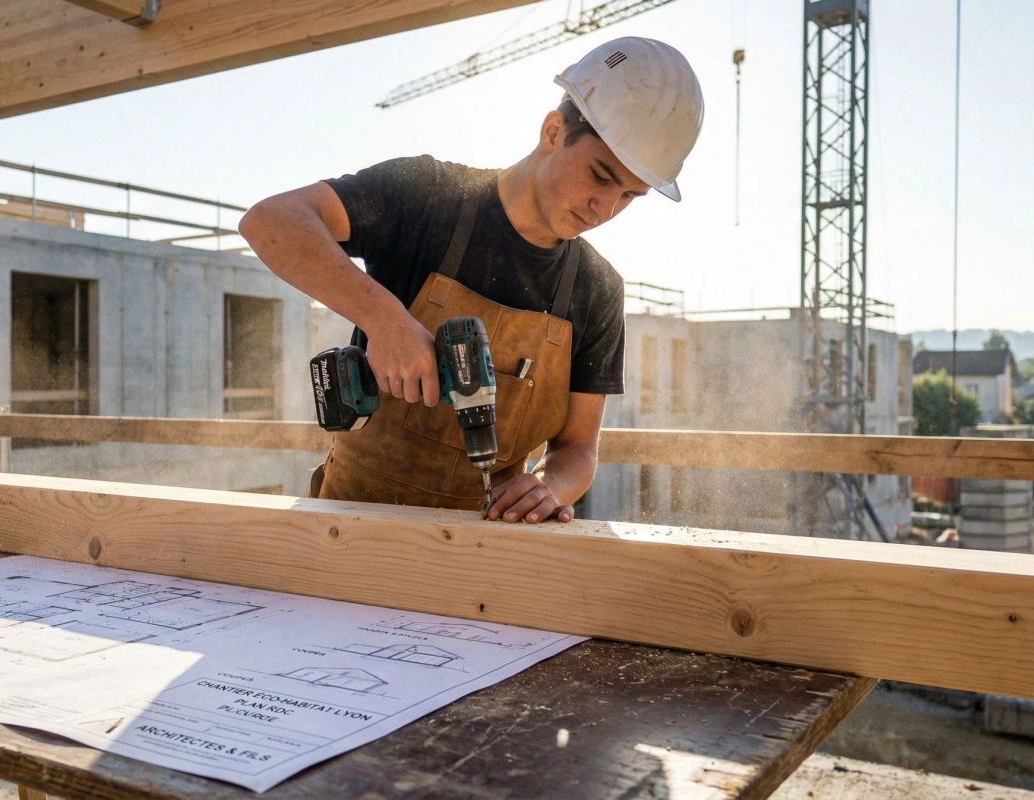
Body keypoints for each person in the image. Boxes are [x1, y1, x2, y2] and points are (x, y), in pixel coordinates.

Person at [239, 37, 704, 524]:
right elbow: (271, 221)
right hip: (350, 524)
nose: (605, 209)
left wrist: (550, 486)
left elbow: (578, 449)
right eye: (600, 176)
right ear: (553, 130)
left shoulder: (598, 290)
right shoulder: (428, 198)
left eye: (630, 195)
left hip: (487, 548)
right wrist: (385, 320)